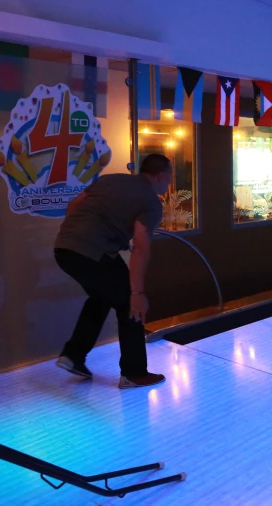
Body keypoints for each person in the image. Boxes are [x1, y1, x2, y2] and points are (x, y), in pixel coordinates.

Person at [53, 154, 171, 389]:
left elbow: (74, 205)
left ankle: (74, 354)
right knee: (129, 303)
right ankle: (134, 373)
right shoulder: (150, 202)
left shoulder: (110, 180)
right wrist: (137, 293)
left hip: (64, 248)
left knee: (102, 295)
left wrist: (81, 234)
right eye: (169, 177)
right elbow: (141, 248)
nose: (169, 183)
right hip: (94, 253)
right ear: (161, 176)